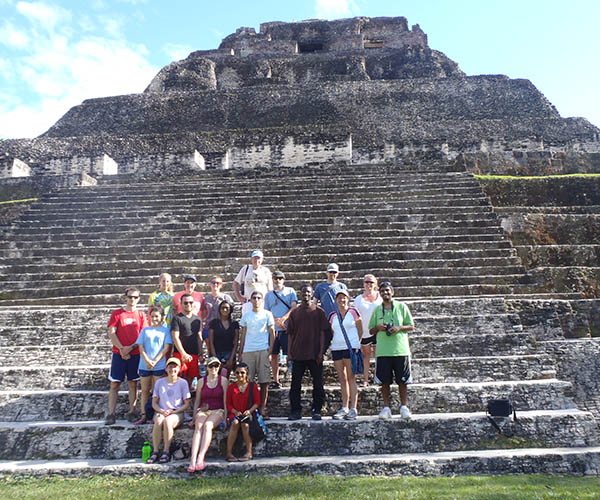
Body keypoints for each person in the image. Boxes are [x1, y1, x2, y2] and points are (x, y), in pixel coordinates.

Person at [368, 281, 415, 420]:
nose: (385, 293)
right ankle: (386, 407)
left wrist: (399, 328)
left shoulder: (401, 306)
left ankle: (404, 407)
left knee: (403, 381)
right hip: (383, 351)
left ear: (392, 292)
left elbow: (411, 325)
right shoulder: (377, 309)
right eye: (382, 291)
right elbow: (370, 330)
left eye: (387, 290)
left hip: (400, 350)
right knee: (384, 381)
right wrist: (378, 327)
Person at [105, 287, 147, 425]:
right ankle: (111, 413)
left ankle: (132, 411)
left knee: (133, 383)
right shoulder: (117, 313)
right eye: (130, 297)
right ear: (125, 297)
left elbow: (143, 334)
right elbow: (112, 332)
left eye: (135, 297)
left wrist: (131, 348)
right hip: (119, 354)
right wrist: (122, 349)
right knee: (115, 383)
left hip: (134, 353)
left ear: (139, 299)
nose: (132, 300)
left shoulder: (141, 315)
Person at [286, 284, 329, 420]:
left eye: (308, 292)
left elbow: (323, 333)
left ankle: (317, 409)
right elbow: (290, 335)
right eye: (304, 292)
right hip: (298, 354)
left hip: (314, 354)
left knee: (318, 383)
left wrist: (321, 352)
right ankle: (295, 410)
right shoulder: (295, 313)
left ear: (312, 294)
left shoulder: (319, 312)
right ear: (300, 294)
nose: (306, 295)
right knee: (295, 384)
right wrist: (289, 353)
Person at [146, 357, 191, 464]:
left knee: (168, 421)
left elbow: (187, 404)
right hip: (161, 411)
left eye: (175, 367)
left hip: (177, 412)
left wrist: (174, 412)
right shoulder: (159, 382)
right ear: (166, 369)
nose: (172, 369)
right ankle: (156, 451)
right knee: (158, 421)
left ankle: (166, 451)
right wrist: (162, 411)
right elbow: (154, 403)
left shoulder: (183, 383)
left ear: (179, 369)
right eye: (170, 367)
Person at [188, 356, 229, 472]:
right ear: (206, 368)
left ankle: (201, 457)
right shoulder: (201, 381)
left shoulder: (223, 381)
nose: (213, 368)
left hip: (218, 410)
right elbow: (197, 400)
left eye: (216, 366)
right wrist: (193, 417)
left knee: (208, 426)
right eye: (211, 366)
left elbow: (225, 401)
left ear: (219, 367)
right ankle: (193, 459)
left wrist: (225, 418)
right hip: (203, 410)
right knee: (199, 426)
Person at [238, 291, 275, 418]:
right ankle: (250, 408)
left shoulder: (267, 314)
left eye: (259, 298)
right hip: (248, 350)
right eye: (254, 298)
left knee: (264, 381)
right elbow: (242, 335)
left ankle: (263, 409)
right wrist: (240, 352)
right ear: (251, 300)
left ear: (262, 300)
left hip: (262, 350)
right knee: (248, 381)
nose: (256, 300)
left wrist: (270, 349)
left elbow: (272, 333)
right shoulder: (246, 316)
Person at [134, 304, 172, 425]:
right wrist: (147, 360)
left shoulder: (165, 331)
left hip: (159, 365)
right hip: (144, 365)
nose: (154, 318)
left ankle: (155, 414)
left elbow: (166, 348)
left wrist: (155, 361)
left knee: (157, 391)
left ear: (161, 317)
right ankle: (144, 415)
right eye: (152, 316)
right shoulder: (145, 330)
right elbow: (141, 347)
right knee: (145, 390)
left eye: (157, 316)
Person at [329, 289, 362, 420]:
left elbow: (360, 329)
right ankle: (344, 406)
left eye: (344, 297)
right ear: (336, 300)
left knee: (351, 378)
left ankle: (353, 407)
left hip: (351, 348)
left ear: (348, 299)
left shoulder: (353, 312)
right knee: (341, 378)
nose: (342, 300)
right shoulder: (332, 315)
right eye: (339, 298)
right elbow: (332, 331)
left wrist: (357, 344)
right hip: (337, 348)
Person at [264, 270, 297, 388]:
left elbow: (294, 307)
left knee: (290, 354)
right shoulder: (268, 295)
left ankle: (292, 378)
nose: (277, 281)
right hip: (274, 329)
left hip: (287, 328)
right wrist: (276, 320)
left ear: (283, 280)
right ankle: (276, 379)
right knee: (273, 354)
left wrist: (283, 318)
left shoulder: (290, 291)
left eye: (279, 278)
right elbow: (266, 311)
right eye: (275, 278)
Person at [225, 362, 261, 462]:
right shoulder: (231, 387)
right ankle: (229, 452)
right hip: (235, 413)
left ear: (246, 373)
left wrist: (249, 411)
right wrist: (235, 412)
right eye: (237, 373)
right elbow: (228, 404)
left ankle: (249, 452)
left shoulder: (252, 386)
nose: (239, 375)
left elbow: (257, 402)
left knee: (245, 425)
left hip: (248, 413)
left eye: (242, 372)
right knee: (235, 424)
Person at [353, 274, 382, 387]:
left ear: (376, 284)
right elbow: (354, 316)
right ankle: (365, 380)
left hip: (378, 331)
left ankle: (379, 378)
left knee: (378, 355)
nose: (369, 284)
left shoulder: (380, 297)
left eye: (371, 282)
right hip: (364, 332)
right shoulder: (358, 299)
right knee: (366, 355)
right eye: (367, 282)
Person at [171, 292, 204, 388]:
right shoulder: (177, 318)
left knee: (191, 382)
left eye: (190, 302)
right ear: (181, 304)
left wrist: (201, 353)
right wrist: (183, 354)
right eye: (185, 303)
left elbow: (199, 337)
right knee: (178, 380)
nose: (188, 305)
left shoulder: (197, 319)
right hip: (180, 354)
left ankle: (189, 402)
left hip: (193, 354)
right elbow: (175, 337)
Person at [233, 250, 273, 315]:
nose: (256, 260)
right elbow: (235, 283)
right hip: (248, 302)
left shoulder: (266, 271)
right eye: (254, 258)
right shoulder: (246, 269)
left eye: (258, 258)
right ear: (251, 259)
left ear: (262, 260)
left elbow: (270, 289)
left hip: (262, 303)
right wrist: (239, 297)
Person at [201, 275, 234, 349]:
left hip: (221, 327)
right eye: (213, 283)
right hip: (208, 327)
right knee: (210, 350)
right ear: (210, 284)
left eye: (218, 283)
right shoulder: (206, 299)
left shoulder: (226, 297)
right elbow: (203, 313)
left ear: (221, 285)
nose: (215, 284)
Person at [208, 300, 239, 376]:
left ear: (230, 309)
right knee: (215, 376)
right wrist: (215, 358)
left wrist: (231, 358)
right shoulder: (214, 323)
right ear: (219, 309)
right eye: (222, 308)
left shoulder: (234, 324)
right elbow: (211, 341)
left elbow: (236, 342)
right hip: (216, 353)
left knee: (226, 378)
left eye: (227, 308)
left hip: (229, 353)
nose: (225, 310)